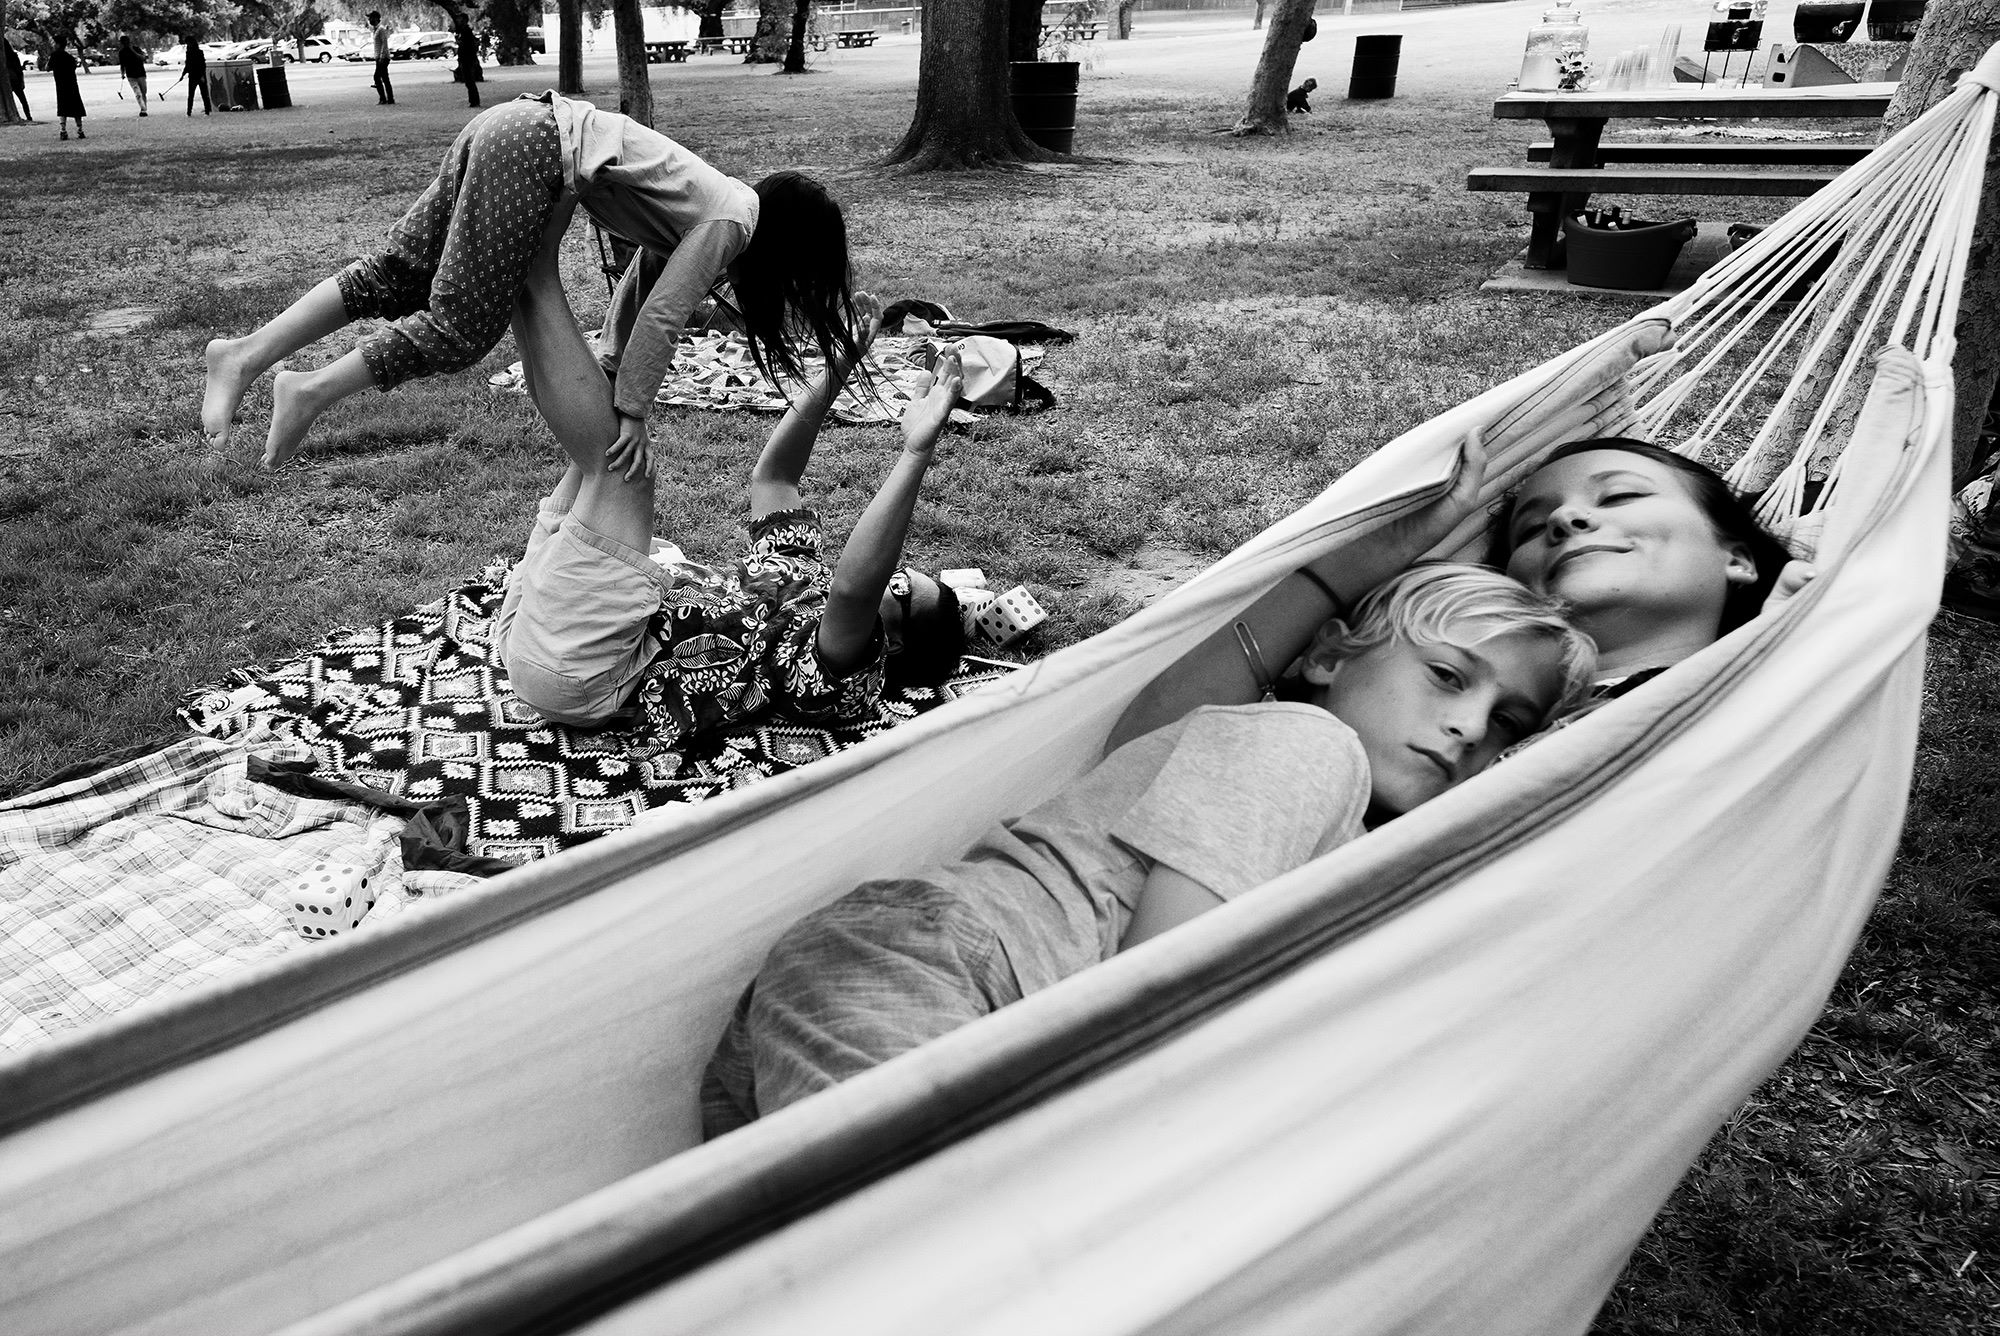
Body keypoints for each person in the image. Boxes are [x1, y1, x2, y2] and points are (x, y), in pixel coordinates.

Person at [701, 563, 1595, 1134]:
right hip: (945, 971)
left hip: (915, 1003)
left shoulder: (1279, 786)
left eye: (1505, 725)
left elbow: (1147, 728)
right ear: (1327, 657)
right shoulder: (1307, 746)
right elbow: (1159, 984)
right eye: (1445, 675)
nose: (1468, 726)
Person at [201, 92, 868, 472]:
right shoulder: (732, 222)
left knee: (402, 274)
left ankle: (246, 352)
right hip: (534, 147)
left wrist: (610, 354)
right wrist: (632, 410)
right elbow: (666, 314)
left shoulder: (713, 205)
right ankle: (309, 391)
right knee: (462, 327)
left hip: (508, 124)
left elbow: (640, 283)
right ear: (791, 253)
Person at [495, 225, 968, 742]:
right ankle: (519, 273)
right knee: (608, 432)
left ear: (891, 643)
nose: (890, 575)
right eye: (900, 572)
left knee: (620, 467)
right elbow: (775, 477)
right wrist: (841, 366)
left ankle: (532, 262)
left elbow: (857, 589)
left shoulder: (845, 676)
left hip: (585, 668)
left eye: (898, 589)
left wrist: (916, 452)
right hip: (538, 626)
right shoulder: (802, 574)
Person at [1108, 434, 1813, 753]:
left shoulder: (1753, 700)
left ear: (1741, 558)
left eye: (1622, 496)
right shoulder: (1415, 687)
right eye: (1534, 528)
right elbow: (1145, 748)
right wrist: (1363, 562)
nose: (1567, 519)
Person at [51, 34, 84, 140]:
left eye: (55, 43)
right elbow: (74, 67)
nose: (53, 45)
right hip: (72, 84)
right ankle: (80, 130)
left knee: (62, 107)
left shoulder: (54, 55)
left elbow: (47, 67)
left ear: (58, 44)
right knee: (76, 107)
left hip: (61, 85)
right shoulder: (70, 58)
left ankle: (63, 130)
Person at [453, 14, 482, 108]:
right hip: (465, 59)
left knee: (470, 81)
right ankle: (473, 100)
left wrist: (460, 43)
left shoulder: (466, 31)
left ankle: (475, 101)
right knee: (468, 81)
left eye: (460, 19)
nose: (458, 21)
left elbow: (467, 46)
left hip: (468, 59)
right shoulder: (463, 31)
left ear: (464, 20)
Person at [117, 35, 148, 115]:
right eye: (123, 42)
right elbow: (122, 64)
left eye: (126, 42)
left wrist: (133, 51)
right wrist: (122, 73)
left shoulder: (136, 49)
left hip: (141, 73)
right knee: (138, 93)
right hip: (131, 75)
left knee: (143, 92)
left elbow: (142, 58)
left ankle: (144, 107)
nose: (125, 44)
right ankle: (143, 109)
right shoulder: (121, 52)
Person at [3, 38, 32, 122]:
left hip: (8, 80)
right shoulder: (13, 56)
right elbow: (19, 70)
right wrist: (21, 81)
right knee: (23, 99)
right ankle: (28, 116)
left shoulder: (6, 57)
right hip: (14, 79)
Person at [181, 34, 210, 116]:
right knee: (191, 95)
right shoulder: (188, 53)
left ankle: (207, 111)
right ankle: (188, 112)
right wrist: (183, 75)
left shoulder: (199, 52)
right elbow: (187, 65)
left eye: (188, 43)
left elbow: (202, 65)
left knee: (204, 94)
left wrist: (202, 76)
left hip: (200, 75)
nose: (187, 45)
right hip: (192, 76)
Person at [370, 11, 394, 106]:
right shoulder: (375, 30)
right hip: (379, 57)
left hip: (383, 58)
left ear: (376, 18)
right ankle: (389, 98)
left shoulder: (381, 29)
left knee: (377, 77)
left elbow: (384, 43)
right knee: (384, 78)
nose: (369, 20)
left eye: (371, 18)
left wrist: (381, 56)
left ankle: (383, 98)